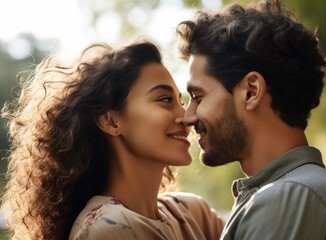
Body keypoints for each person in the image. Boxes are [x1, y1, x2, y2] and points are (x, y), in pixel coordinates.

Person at [1, 40, 225, 240]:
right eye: (165, 99)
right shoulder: (108, 228)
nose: (186, 116)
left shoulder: (191, 211)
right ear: (111, 121)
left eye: (181, 100)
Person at [176, 0, 326, 239]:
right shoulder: (295, 194)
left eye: (198, 97)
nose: (188, 116)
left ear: (251, 91)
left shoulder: (288, 198)